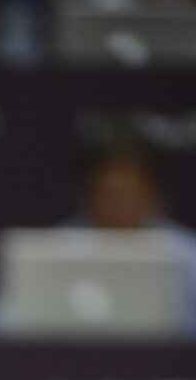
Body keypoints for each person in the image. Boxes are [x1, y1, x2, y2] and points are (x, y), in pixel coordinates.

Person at [68, 126, 196, 334]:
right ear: (87, 197)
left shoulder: (187, 254)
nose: (119, 204)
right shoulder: (61, 248)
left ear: (155, 195)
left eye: (129, 192)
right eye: (108, 193)